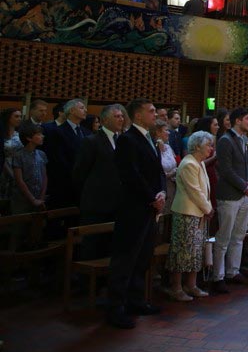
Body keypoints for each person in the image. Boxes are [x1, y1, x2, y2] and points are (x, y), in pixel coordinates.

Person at [107, 98, 165, 329]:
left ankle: (136, 300)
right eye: (151, 111)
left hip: (150, 206)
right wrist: (152, 197)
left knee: (142, 257)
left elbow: (157, 171)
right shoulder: (127, 139)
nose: (155, 114)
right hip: (134, 207)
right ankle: (116, 308)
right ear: (138, 115)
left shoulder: (149, 138)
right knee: (125, 258)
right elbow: (131, 174)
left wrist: (161, 192)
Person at [73, 103, 126, 259]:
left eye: (122, 116)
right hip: (96, 204)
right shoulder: (92, 141)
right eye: (116, 116)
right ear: (105, 120)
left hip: (117, 203)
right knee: (92, 247)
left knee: (111, 247)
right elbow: (80, 173)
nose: (121, 119)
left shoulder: (122, 140)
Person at [211, 108, 248, 294]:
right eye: (247, 119)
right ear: (237, 121)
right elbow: (226, 170)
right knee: (224, 237)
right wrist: (244, 186)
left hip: (245, 194)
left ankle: (233, 271)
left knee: (239, 236)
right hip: (230, 194)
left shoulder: (244, 140)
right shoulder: (225, 140)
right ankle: (218, 276)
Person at [166, 131, 215, 302]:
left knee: (195, 250)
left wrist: (206, 209)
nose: (211, 148)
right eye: (208, 145)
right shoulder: (188, 163)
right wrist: (208, 208)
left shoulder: (199, 162)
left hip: (198, 212)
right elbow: (195, 191)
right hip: (186, 212)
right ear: (197, 146)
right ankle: (176, 287)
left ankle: (191, 285)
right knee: (182, 251)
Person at [43, 98, 87, 208]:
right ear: (71, 110)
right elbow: (58, 160)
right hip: (65, 183)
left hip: (84, 183)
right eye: (82, 108)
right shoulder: (57, 132)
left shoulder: (86, 132)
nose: (85, 110)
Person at [9, 123, 48, 214]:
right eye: (38, 134)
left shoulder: (41, 154)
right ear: (29, 138)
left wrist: (41, 198)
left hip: (38, 197)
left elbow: (44, 177)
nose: (42, 136)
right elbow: (19, 180)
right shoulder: (19, 155)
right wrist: (33, 199)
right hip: (22, 200)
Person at [154, 120, 177, 212]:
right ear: (158, 132)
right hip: (161, 187)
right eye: (166, 130)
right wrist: (173, 172)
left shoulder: (168, 147)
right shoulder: (154, 148)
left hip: (172, 185)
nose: (169, 132)